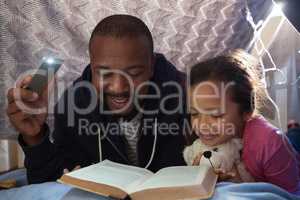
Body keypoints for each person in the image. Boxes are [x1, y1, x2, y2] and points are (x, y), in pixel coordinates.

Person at [6, 14, 187, 184]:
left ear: (152, 66)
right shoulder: (74, 104)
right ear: (92, 66)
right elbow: (52, 184)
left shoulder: (187, 95)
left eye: (134, 73)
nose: (118, 87)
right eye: (104, 73)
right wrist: (35, 138)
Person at [188, 49, 300, 194]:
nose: (202, 125)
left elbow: (291, 194)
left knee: (294, 140)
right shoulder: (210, 139)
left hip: (286, 155)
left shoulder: (270, 144)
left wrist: (237, 184)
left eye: (216, 115)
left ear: (247, 110)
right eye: (194, 113)